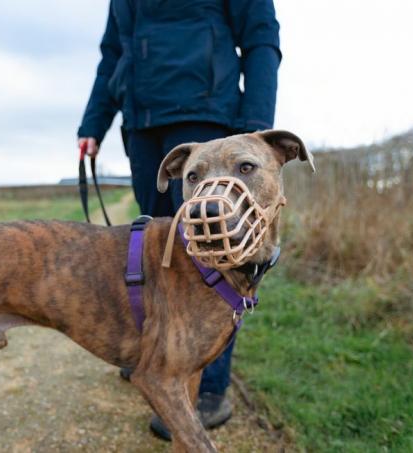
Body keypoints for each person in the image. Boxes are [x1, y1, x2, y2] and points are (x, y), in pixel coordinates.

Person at [77, 0, 281, 441]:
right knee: (155, 253)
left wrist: (257, 130)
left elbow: (262, 36)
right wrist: (94, 122)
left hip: (206, 112)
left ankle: (208, 385)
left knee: (218, 252)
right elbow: (114, 53)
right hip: (143, 123)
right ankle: (159, 355)